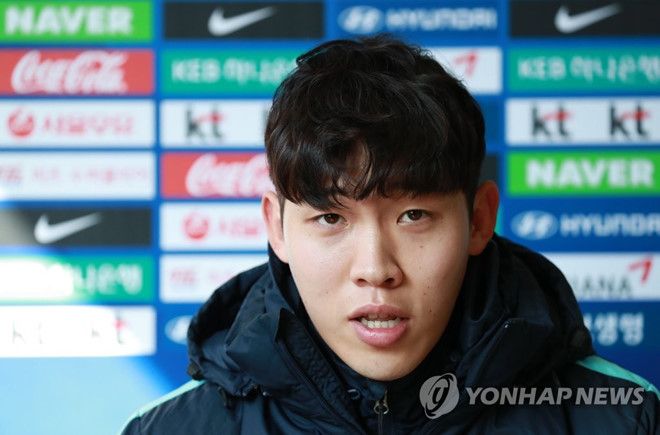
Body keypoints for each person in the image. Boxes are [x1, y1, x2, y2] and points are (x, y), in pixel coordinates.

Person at [120, 35, 659, 434]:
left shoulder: (622, 418)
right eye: (331, 218)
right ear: (276, 228)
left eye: (413, 215)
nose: (376, 269)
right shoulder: (169, 429)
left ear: (478, 219)